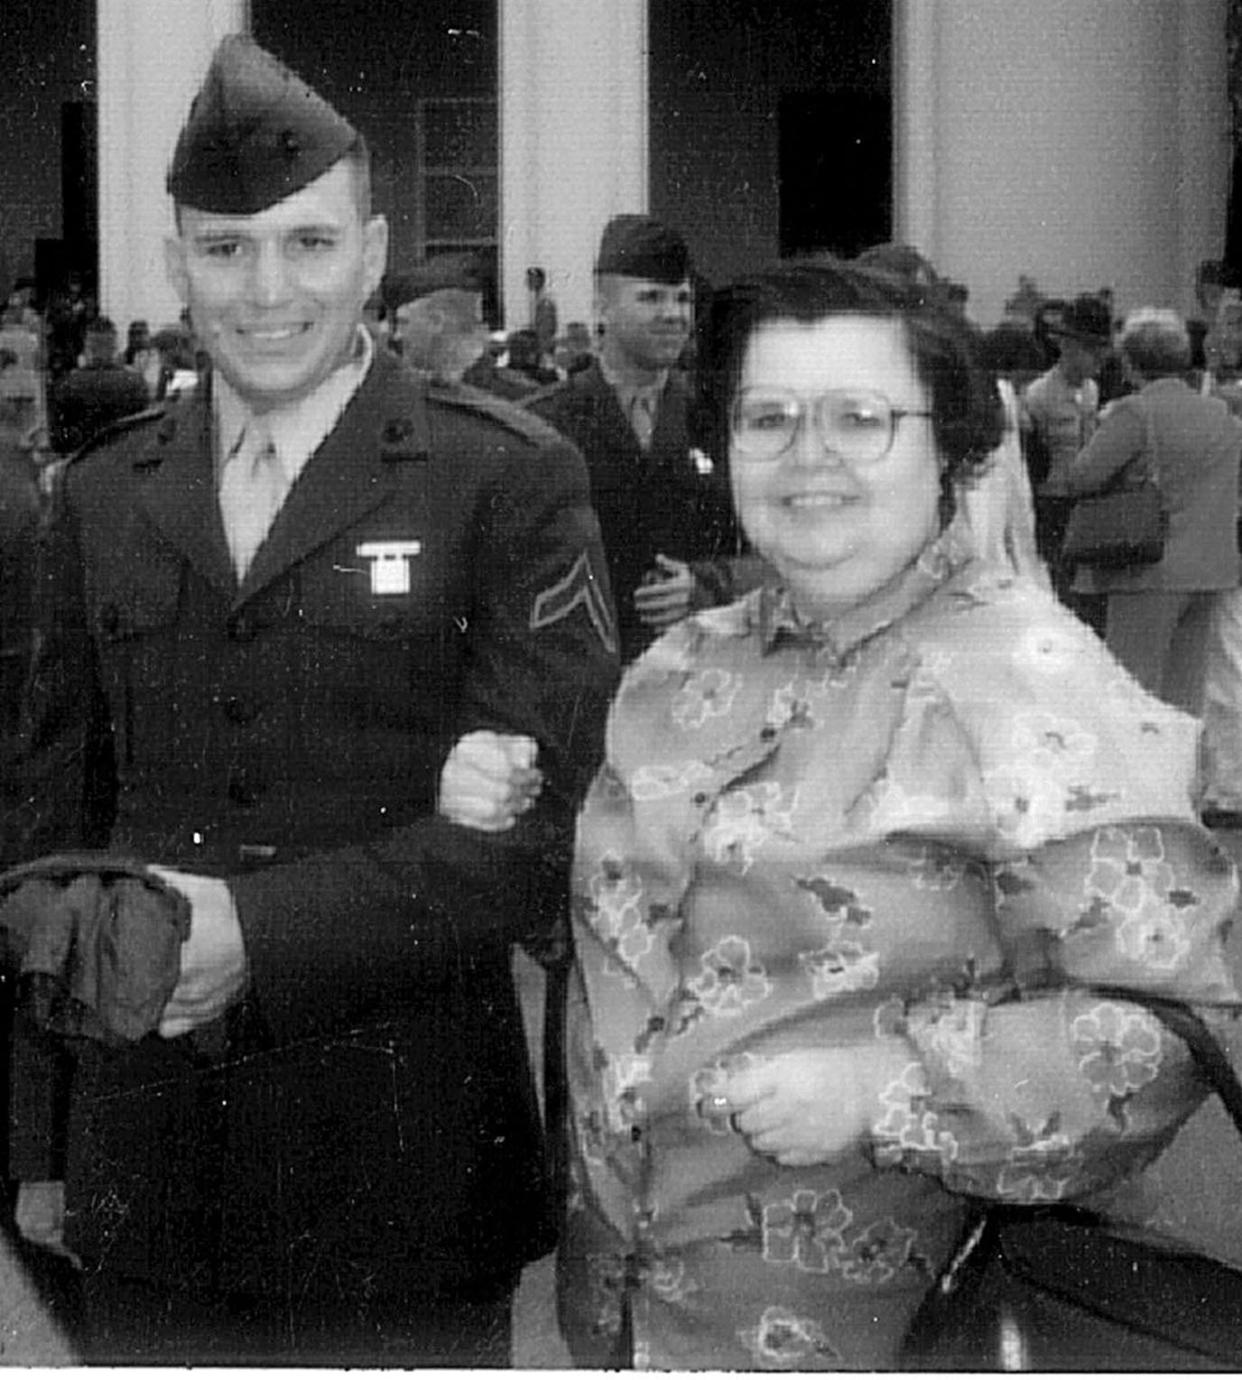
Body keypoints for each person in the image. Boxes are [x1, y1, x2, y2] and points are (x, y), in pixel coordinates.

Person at [5, 34, 617, 1366]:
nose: (264, 289)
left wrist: (259, 933)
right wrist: (38, 1140)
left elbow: (549, 837)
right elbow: (50, 824)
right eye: (224, 251)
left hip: (404, 1160)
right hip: (149, 1159)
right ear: (176, 265)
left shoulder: (500, 478)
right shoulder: (101, 494)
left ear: (374, 248)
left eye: (306, 245)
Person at [545, 256, 1236, 1368]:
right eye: (767, 418)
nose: (807, 456)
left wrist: (890, 1087)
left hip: (874, 1335)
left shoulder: (1031, 684)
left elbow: (1181, 1028)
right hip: (627, 1314)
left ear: (951, 448)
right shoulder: (682, 667)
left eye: (859, 418)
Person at [527, 214, 749, 662]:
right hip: (584, 681)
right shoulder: (542, 425)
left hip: (702, 675)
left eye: (682, 299)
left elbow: (773, 552)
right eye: (651, 298)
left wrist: (710, 584)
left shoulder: (722, 418)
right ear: (602, 308)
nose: (673, 315)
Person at [1068, 308, 1242, 717]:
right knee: (1184, 697)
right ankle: (1179, 778)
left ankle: (1132, 778)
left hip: (1146, 567)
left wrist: (1093, 427)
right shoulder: (1222, 415)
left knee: (1130, 688)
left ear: (1129, 363)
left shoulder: (1133, 412)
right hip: (1210, 569)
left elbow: (1082, 477)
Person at [1020, 294, 1112, 607]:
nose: (1098, 360)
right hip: (1053, 502)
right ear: (1066, 346)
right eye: (1090, 351)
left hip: (1087, 501)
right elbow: (1031, 457)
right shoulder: (1038, 395)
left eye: (1102, 351)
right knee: (1059, 579)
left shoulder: (1092, 390)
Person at [47, 316, 152, 455]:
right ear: (115, 346)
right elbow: (145, 433)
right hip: (123, 463)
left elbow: (57, 440)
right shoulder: (136, 384)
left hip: (82, 464)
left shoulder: (66, 385)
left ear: (87, 347)